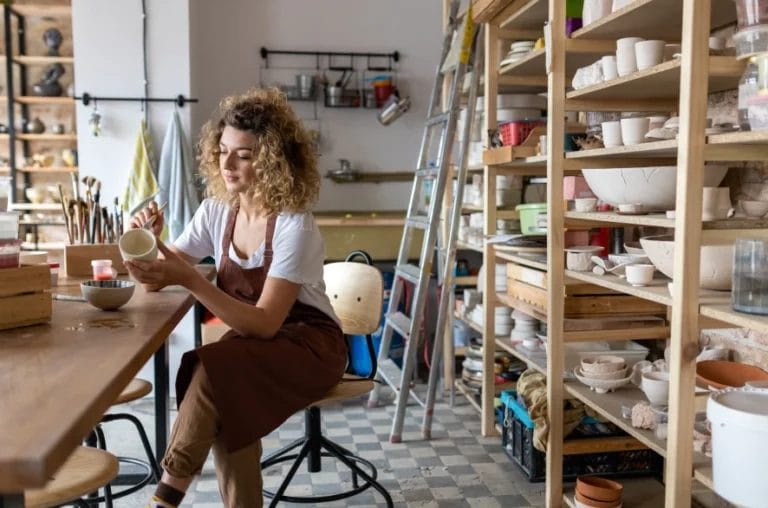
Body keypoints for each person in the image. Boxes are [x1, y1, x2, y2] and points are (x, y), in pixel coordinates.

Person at [125, 87, 347, 508]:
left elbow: (265, 322)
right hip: (255, 343)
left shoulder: (293, 225)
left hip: (310, 345)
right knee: (226, 396)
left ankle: (164, 498)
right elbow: (154, 279)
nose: (226, 164)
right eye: (223, 150)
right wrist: (147, 244)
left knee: (213, 372)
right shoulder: (216, 211)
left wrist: (190, 279)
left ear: (272, 160)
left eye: (243, 155)